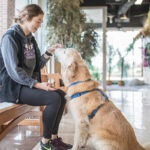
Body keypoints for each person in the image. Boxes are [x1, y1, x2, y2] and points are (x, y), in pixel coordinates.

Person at [0, 4, 72, 150]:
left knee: (61, 95)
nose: (39, 25)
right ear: (27, 18)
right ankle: (45, 143)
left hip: (26, 86)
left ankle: (53, 139)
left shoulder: (30, 39)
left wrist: (48, 52)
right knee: (53, 98)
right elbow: (14, 71)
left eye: (41, 22)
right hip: (13, 88)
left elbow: (37, 65)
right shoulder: (10, 37)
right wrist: (38, 85)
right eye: (38, 21)